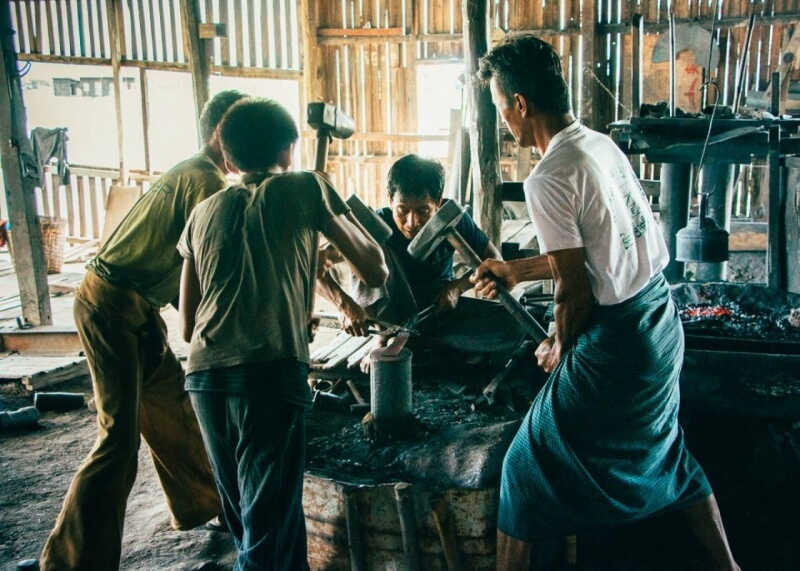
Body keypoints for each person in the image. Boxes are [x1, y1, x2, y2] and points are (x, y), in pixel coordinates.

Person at [472, 35, 740, 571]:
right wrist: (513, 270)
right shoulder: (596, 144)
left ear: (520, 104)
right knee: (665, 451)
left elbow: (575, 289)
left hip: (622, 342)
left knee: (525, 464)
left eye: (502, 108)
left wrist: (556, 343)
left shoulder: (547, 175)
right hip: (661, 321)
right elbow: (597, 252)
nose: (505, 121)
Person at [40, 90, 249, 571]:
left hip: (138, 309)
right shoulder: (207, 181)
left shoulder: (192, 172)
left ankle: (211, 505)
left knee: (173, 407)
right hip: (108, 306)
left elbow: (179, 268)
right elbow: (211, 262)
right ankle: (67, 562)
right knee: (118, 441)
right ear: (223, 134)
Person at [177, 98, 387, 570]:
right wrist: (326, 226)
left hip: (205, 379)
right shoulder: (306, 188)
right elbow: (376, 269)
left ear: (228, 160)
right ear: (289, 151)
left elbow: (188, 324)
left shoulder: (202, 213)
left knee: (256, 523)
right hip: (269, 374)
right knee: (267, 535)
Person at [317, 154, 526, 364]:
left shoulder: (456, 220)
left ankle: (420, 341)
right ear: (390, 200)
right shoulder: (374, 223)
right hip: (388, 313)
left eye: (423, 210)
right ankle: (385, 339)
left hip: (435, 309)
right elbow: (313, 266)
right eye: (403, 210)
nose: (412, 222)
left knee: (514, 326)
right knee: (372, 245)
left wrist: (456, 288)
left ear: (438, 203)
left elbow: (494, 259)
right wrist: (344, 305)